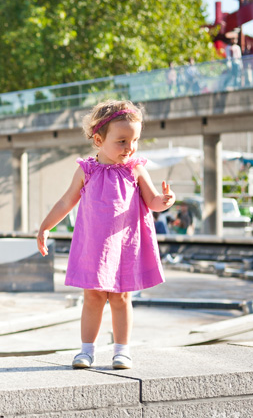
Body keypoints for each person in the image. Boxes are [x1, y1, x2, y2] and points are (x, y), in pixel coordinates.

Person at [36, 99, 175, 370]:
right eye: (121, 141)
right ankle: (87, 351)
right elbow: (66, 202)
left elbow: (153, 202)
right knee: (93, 297)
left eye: (134, 140)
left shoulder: (134, 169)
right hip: (94, 247)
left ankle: (122, 351)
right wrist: (45, 226)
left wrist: (165, 200)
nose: (130, 147)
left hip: (125, 245)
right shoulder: (86, 170)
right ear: (99, 140)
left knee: (122, 297)